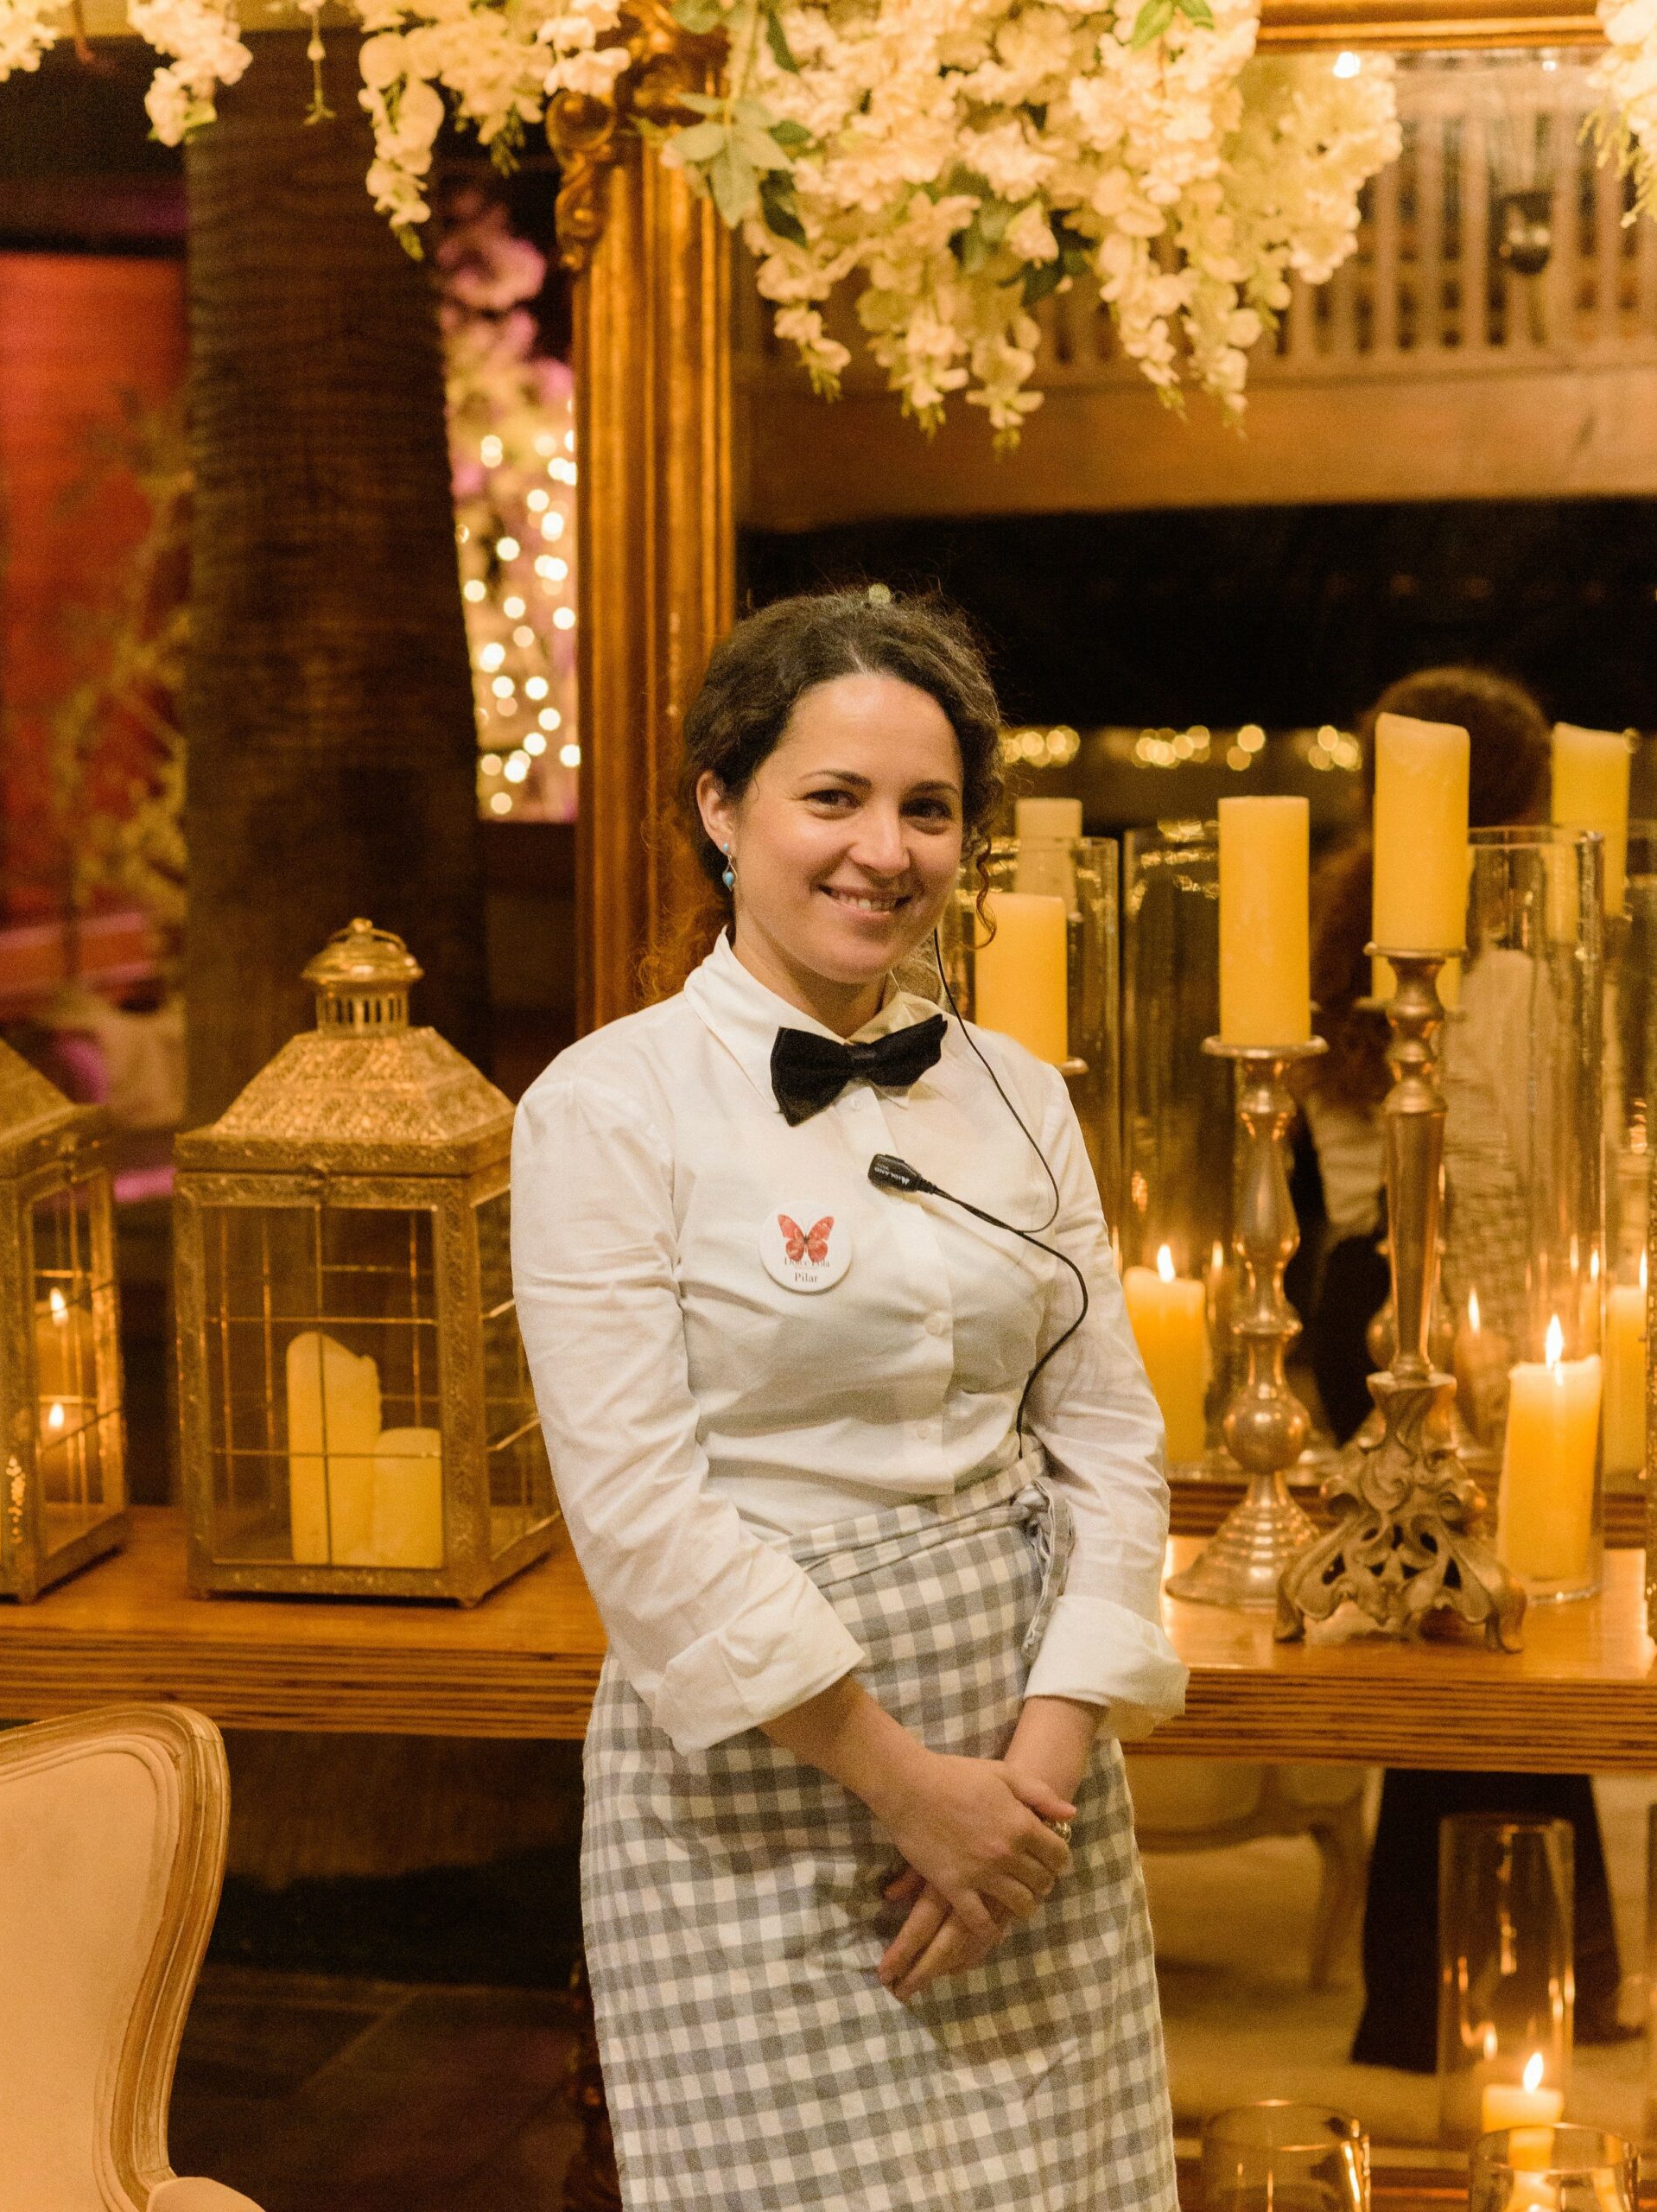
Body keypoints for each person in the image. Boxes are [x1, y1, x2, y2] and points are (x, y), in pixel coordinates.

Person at [511, 588, 1187, 2209]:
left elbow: (1107, 1445)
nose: (885, 849)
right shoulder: (604, 1107)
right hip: (763, 1782)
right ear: (719, 805)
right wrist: (905, 1786)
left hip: (1033, 1787)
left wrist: (1029, 1779)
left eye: (928, 809)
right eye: (835, 797)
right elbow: (640, 1519)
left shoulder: (1022, 1096)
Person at [1300, 664, 1623, 2067]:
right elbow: (1489, 1190)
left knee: (1434, 1640)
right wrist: (1516, 1353)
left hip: (1351, 1303)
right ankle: (1507, 1990)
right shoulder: (1500, 977)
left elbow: (1345, 1172)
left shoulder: (1341, 931)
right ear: (1523, 803)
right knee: (1499, 1654)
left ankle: (1423, 1997)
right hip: (1446, 1309)